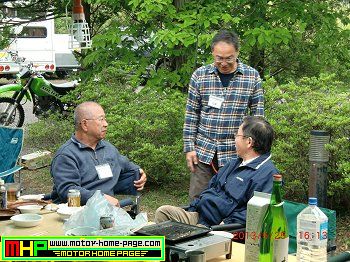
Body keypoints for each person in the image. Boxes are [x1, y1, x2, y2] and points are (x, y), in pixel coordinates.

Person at [183, 30, 264, 200]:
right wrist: (189, 148)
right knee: (198, 201)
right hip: (204, 153)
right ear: (212, 53)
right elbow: (191, 115)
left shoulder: (252, 77)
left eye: (229, 58)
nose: (224, 63)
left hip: (237, 155)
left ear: (237, 53)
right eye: (219, 58)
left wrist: (255, 153)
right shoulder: (200, 76)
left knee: (231, 202)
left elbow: (258, 120)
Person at [156, 116, 277, 227]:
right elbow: (210, 189)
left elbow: (255, 213)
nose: (234, 139)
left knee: (190, 235)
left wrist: (224, 225)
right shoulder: (233, 163)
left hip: (220, 228)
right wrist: (193, 208)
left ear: (249, 142)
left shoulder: (267, 174)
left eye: (237, 135)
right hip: (200, 217)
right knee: (164, 212)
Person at [49, 101, 147, 206]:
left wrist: (140, 173)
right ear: (85, 124)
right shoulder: (66, 155)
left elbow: (128, 166)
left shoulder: (108, 148)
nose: (106, 124)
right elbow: (68, 191)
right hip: (76, 214)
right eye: (101, 119)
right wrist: (100, 198)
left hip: (105, 212)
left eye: (105, 119)